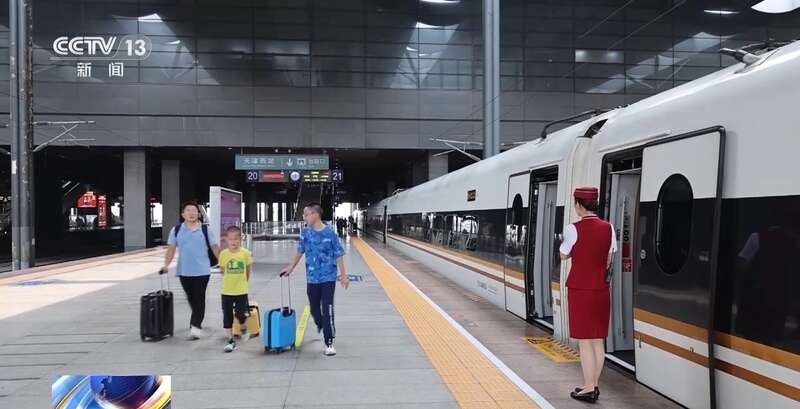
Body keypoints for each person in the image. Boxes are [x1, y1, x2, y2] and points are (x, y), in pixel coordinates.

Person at [559, 187, 617, 403]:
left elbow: (563, 255)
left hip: (580, 290)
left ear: (579, 205)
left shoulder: (573, 229)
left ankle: (589, 387)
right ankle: (593, 385)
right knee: (597, 341)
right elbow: (609, 259)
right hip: (601, 290)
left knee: (584, 342)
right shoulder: (609, 228)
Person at [280, 202, 349, 356]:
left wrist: (343, 276)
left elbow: (338, 254)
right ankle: (320, 323)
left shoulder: (330, 233)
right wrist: (290, 267)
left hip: (328, 278)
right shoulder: (305, 233)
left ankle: (329, 342)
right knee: (314, 309)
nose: (304, 217)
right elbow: (300, 251)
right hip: (312, 278)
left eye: (306, 214)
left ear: (315, 215)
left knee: (328, 308)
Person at [161, 202, 220, 340]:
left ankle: (195, 326)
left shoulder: (205, 229)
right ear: (183, 214)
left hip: (202, 271)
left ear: (198, 214)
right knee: (191, 298)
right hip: (184, 271)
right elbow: (171, 249)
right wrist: (166, 265)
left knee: (199, 298)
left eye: (194, 210)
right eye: (188, 210)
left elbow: (214, 247)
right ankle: (196, 318)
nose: (192, 213)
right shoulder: (176, 230)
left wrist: (222, 263)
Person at [218, 225, 253, 352]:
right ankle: (230, 339)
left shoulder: (246, 254)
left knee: (240, 313)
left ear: (240, 239)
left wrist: (243, 283)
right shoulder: (223, 254)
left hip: (241, 290)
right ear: (226, 240)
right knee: (227, 315)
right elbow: (223, 271)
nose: (233, 242)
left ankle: (243, 326)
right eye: (231, 239)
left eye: (236, 239)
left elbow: (248, 271)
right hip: (226, 291)